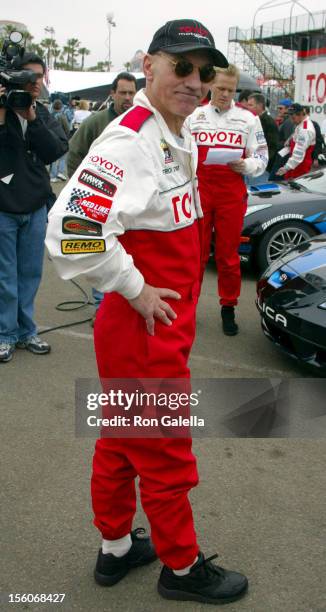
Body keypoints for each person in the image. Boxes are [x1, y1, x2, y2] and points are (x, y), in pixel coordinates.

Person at [46, 18, 248, 605]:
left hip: (158, 327)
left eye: (204, 71)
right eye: (181, 66)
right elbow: (71, 232)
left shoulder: (169, 131)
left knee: (119, 442)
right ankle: (181, 569)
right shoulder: (131, 138)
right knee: (163, 451)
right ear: (150, 65)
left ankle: (115, 550)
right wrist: (132, 287)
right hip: (144, 329)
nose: (194, 80)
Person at [187, 64, 268, 335]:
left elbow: (262, 157)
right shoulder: (194, 114)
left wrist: (247, 166)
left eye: (230, 90)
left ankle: (228, 307)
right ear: (211, 84)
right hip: (200, 189)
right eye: (220, 88)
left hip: (231, 193)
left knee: (227, 255)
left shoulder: (248, 119)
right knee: (195, 255)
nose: (224, 94)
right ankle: (189, 308)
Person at [0, 52, 68, 363]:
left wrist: (32, 118)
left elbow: (55, 150)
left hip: (36, 205)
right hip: (4, 205)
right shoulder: (2, 110)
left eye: (39, 76)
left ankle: (27, 331)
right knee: (5, 276)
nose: (35, 83)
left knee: (30, 273)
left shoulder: (39, 112)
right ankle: (5, 333)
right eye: (28, 76)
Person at [67, 72, 137, 318]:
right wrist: (83, 192)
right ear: (112, 94)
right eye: (123, 93)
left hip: (133, 204)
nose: (128, 98)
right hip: (101, 202)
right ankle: (102, 310)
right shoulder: (96, 122)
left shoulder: (143, 123)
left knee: (130, 256)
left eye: (132, 92)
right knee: (102, 254)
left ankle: (126, 307)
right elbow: (75, 153)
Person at [275, 103, 316, 180]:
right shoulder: (302, 123)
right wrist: (290, 140)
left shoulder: (305, 130)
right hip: (295, 165)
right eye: (290, 117)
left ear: (301, 114)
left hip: (299, 167)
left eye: (293, 118)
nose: (292, 120)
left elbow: (298, 153)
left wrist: (286, 168)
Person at [247, 92, 279, 183]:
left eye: (250, 105)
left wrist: (262, 163)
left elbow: (272, 147)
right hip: (250, 166)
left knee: (257, 195)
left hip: (261, 169)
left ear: (260, 106)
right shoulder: (253, 120)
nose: (247, 107)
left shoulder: (269, 122)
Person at [49, 99, 70, 182]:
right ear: (61, 106)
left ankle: (52, 176)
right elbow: (67, 128)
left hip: (51, 138)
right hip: (61, 138)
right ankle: (60, 172)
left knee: (53, 158)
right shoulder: (62, 116)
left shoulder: (49, 115)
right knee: (62, 156)